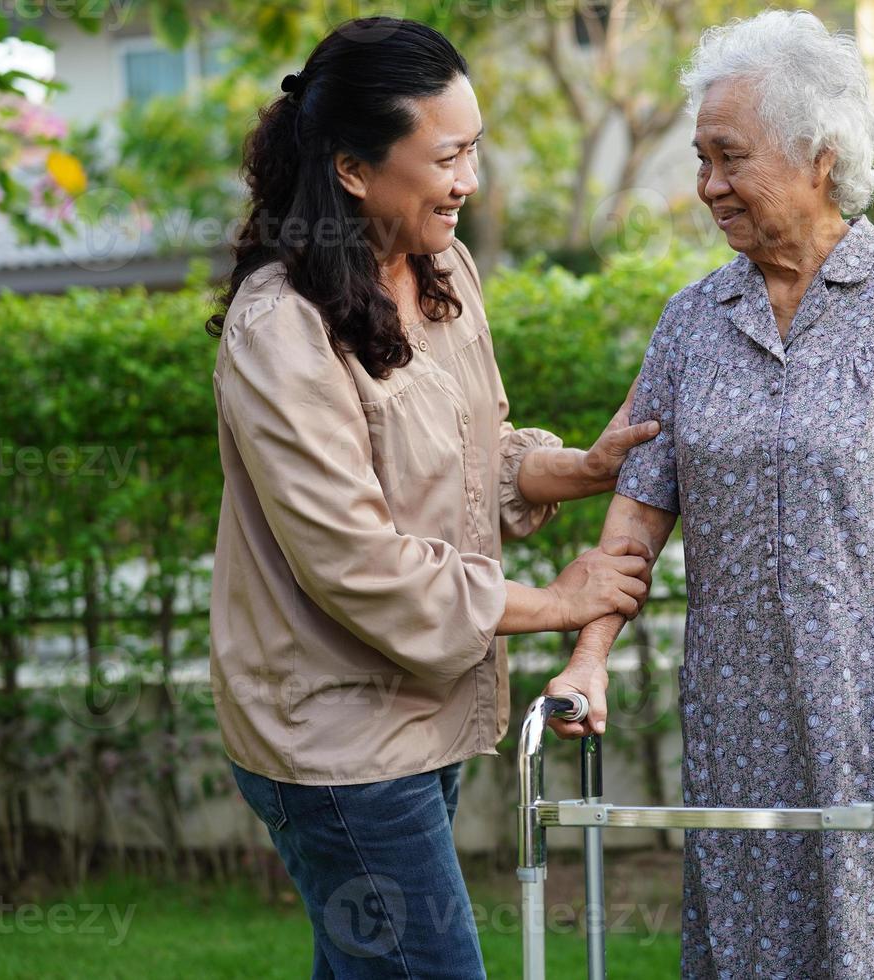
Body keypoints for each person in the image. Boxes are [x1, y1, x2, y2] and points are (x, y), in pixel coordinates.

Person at [544, 11, 874, 977]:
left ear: (820, 156)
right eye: (701, 159)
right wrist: (587, 659)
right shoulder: (691, 320)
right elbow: (639, 509)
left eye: (731, 158)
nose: (708, 185)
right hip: (740, 715)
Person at [206, 18, 655, 979]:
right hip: (333, 741)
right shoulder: (280, 331)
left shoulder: (442, 271)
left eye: (474, 149)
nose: (470, 181)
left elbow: (465, 463)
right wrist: (560, 606)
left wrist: (574, 468)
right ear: (355, 171)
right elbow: (360, 566)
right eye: (447, 156)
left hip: (419, 717)